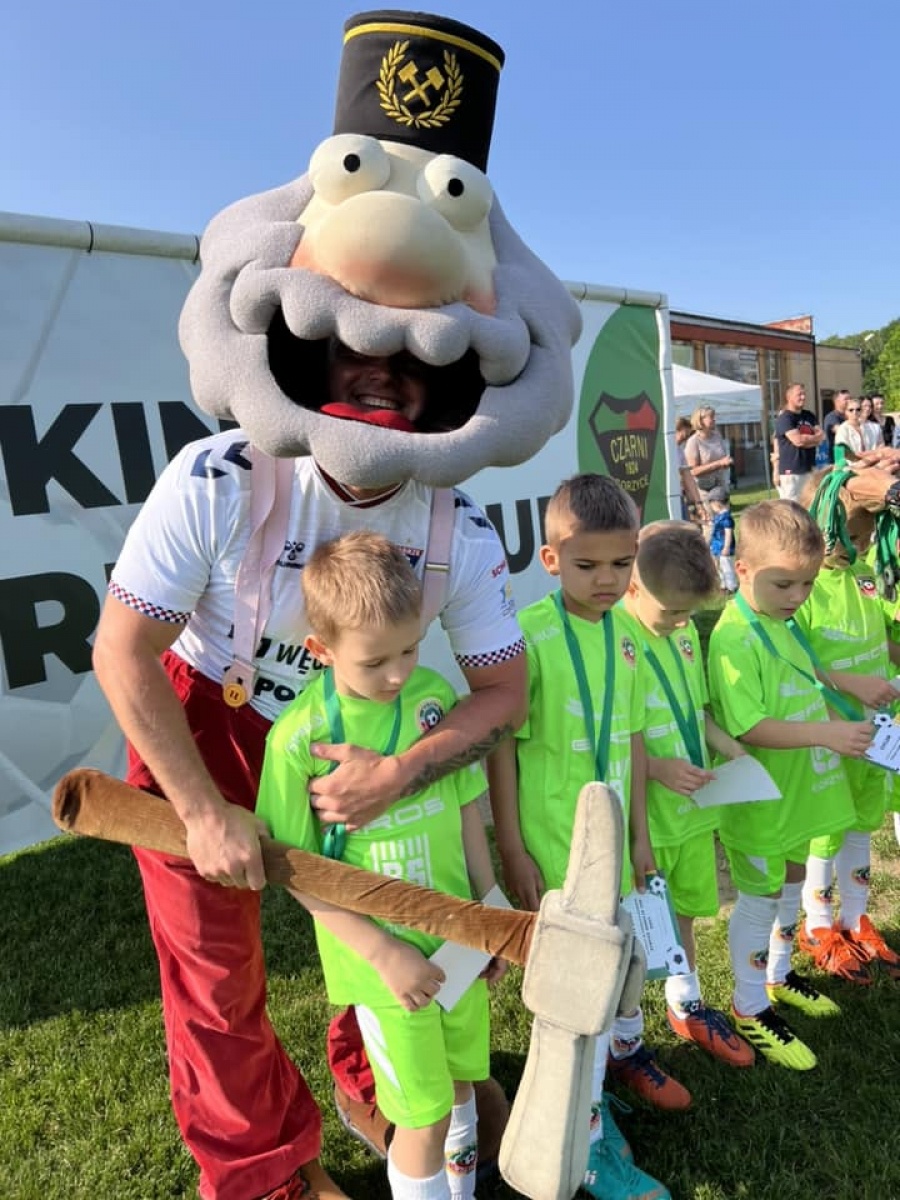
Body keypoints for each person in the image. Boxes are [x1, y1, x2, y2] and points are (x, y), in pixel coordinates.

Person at [90, 11, 583, 1200]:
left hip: (366, 736)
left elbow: (503, 689)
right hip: (208, 718)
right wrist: (206, 810)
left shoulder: (455, 530)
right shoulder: (217, 476)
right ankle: (260, 1173)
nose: (383, 366)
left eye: (416, 356)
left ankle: (384, 1089)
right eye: (358, 342)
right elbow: (124, 648)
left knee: (395, 925)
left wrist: (405, 771)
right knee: (216, 974)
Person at [256, 532, 505, 1200]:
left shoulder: (431, 699)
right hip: (382, 968)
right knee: (418, 1117)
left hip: (455, 941)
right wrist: (383, 951)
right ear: (321, 649)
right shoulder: (299, 738)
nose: (397, 673)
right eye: (375, 662)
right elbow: (292, 866)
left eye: (409, 648)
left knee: (459, 1088)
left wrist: (490, 911)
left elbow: (461, 806)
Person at [488, 473, 674, 1200]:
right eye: (588, 564)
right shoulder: (527, 638)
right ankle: (584, 1147)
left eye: (621, 565)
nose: (606, 580)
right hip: (552, 847)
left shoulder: (628, 638)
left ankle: (591, 1105)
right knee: (572, 993)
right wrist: (510, 843)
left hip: (610, 853)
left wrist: (639, 838)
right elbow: (503, 744)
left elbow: (628, 740)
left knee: (605, 983)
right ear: (550, 558)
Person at [707, 500, 870, 1070]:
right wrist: (826, 734)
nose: (798, 596)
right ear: (742, 570)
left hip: (799, 790)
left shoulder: (783, 618)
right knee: (756, 895)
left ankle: (777, 974)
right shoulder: (733, 640)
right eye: (784, 583)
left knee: (794, 877)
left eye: (805, 582)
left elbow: (808, 672)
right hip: (757, 798)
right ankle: (748, 1007)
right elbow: (750, 726)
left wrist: (849, 686)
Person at [619, 522, 754, 1069]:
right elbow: (614, 740)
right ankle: (626, 1038)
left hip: (694, 811)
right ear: (632, 587)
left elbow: (694, 713)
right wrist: (656, 769)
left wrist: (732, 749)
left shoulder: (680, 637)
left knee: (688, 914)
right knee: (635, 929)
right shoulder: (619, 645)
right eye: (671, 613)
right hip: (647, 818)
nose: (680, 624)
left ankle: (685, 1003)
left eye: (687, 616)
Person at [793, 474, 900, 982]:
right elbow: (795, 661)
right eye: (846, 535)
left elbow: (883, 637)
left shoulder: (863, 575)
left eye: (863, 539)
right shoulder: (803, 587)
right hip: (830, 734)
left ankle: (856, 917)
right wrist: (850, 683)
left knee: (863, 821)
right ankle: (817, 925)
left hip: (872, 733)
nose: (855, 548)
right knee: (826, 832)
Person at [773, 383, 825, 500]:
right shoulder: (785, 418)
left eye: (804, 394)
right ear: (789, 397)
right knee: (792, 508)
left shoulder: (809, 415)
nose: (803, 397)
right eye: (799, 394)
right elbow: (798, 441)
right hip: (792, 472)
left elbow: (821, 436)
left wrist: (806, 440)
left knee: (811, 505)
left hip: (810, 469)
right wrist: (812, 440)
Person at [683, 406, 732, 501]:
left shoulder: (717, 436)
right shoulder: (693, 441)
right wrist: (719, 463)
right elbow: (693, 471)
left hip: (721, 487)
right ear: (700, 420)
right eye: (711, 417)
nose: (714, 419)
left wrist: (727, 463)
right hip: (704, 491)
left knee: (724, 515)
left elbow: (722, 458)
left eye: (714, 416)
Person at [674, 414, 710, 525]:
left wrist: (698, 503)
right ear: (677, 429)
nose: (687, 437)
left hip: (678, 496)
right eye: (685, 433)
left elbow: (687, 476)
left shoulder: (679, 450)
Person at [707, 497, 737, 593]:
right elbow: (714, 528)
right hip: (717, 547)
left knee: (727, 566)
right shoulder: (719, 516)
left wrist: (726, 547)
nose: (711, 508)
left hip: (723, 547)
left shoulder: (726, 518)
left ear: (717, 504)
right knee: (719, 567)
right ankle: (723, 585)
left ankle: (731, 586)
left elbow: (728, 533)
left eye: (711, 505)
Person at [823, 389, 850, 463]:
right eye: (846, 399)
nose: (849, 401)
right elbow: (841, 432)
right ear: (837, 401)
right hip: (837, 459)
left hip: (850, 458)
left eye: (850, 398)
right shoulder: (832, 417)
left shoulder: (849, 416)